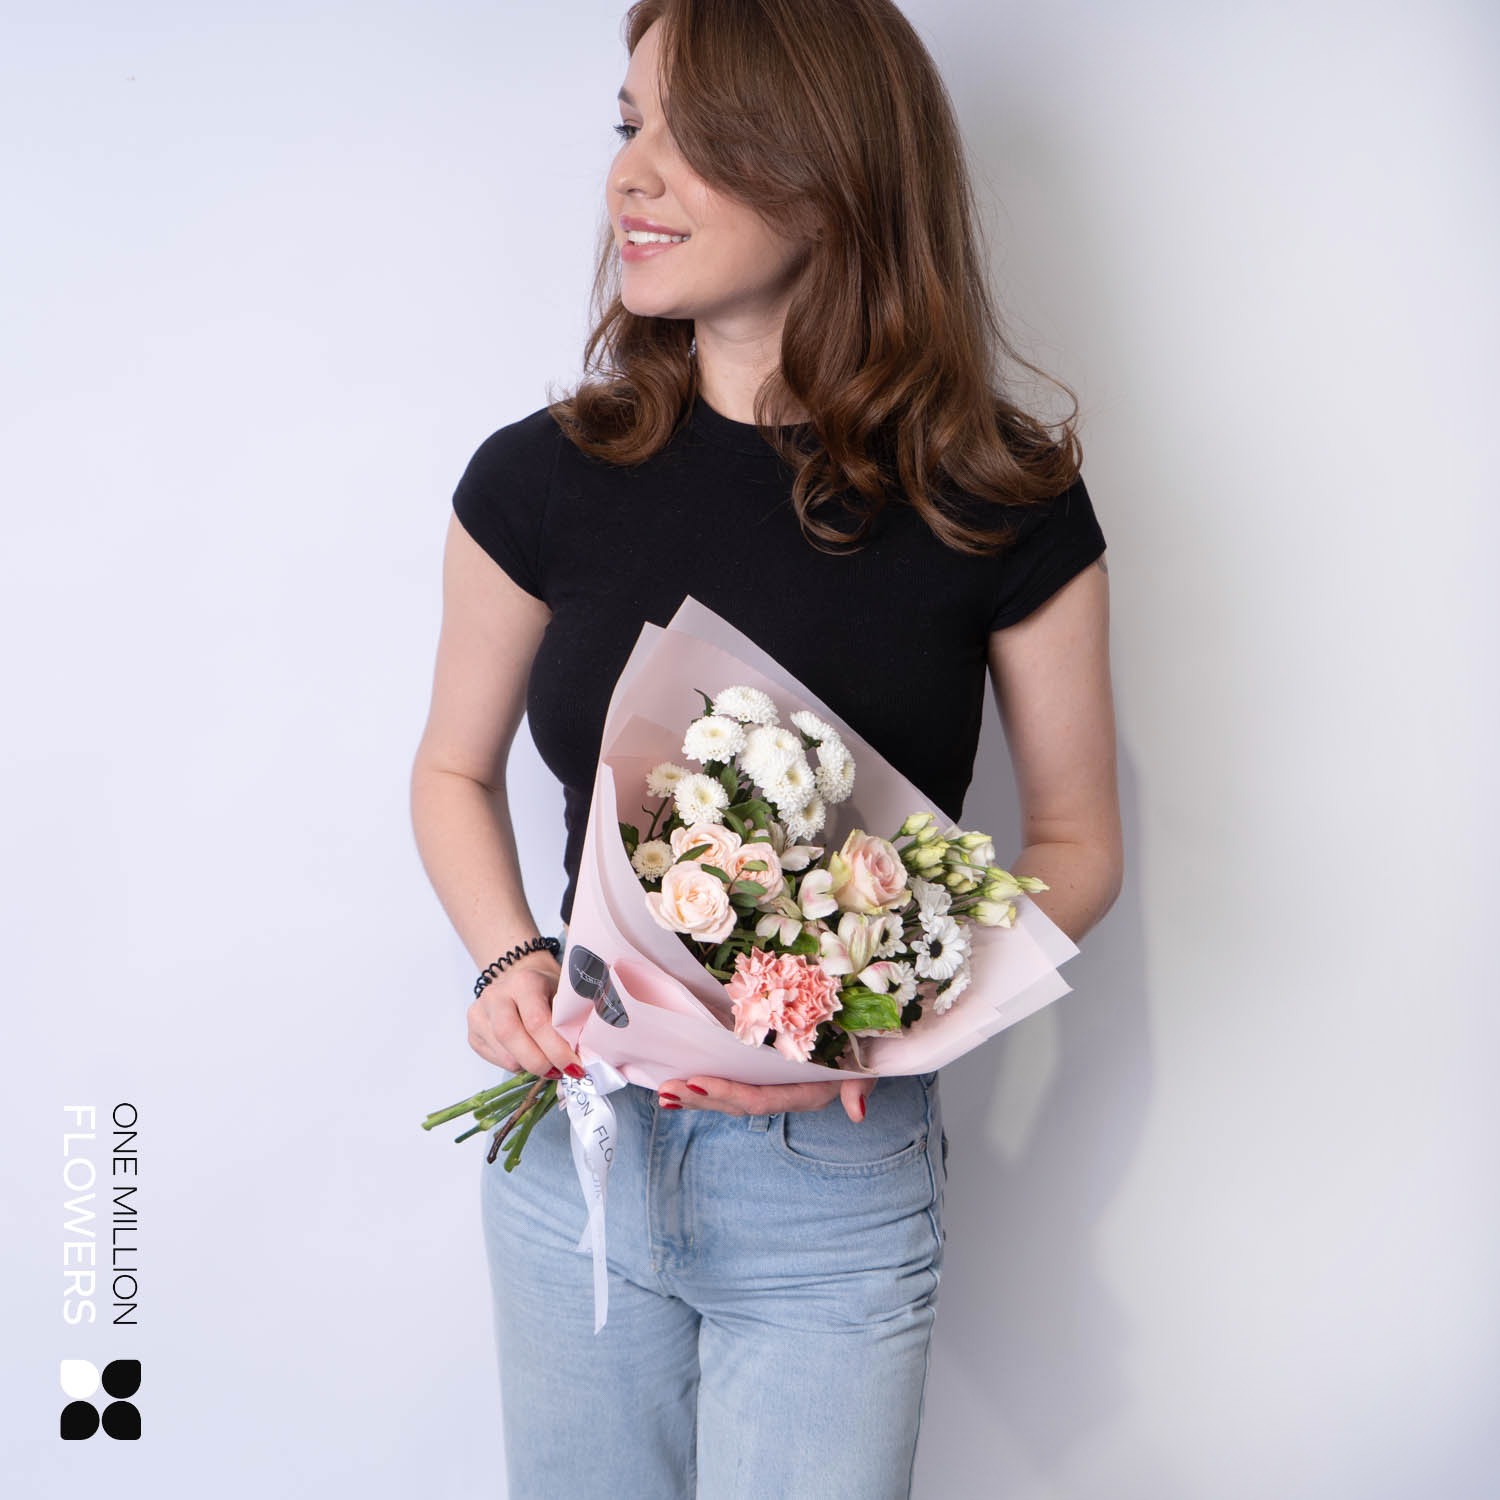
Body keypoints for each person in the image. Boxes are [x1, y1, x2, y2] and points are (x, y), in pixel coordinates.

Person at [409, 2, 1124, 1495]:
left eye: (694, 138)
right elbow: (449, 771)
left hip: (834, 1180)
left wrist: (883, 1030)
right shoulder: (540, 479)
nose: (630, 175)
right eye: (629, 127)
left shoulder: (994, 494)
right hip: (575, 1149)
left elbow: (1077, 844)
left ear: (832, 168)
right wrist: (506, 963)